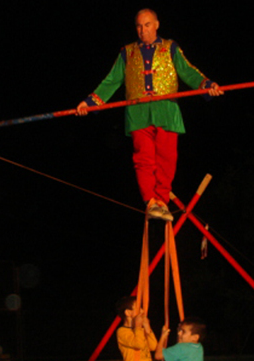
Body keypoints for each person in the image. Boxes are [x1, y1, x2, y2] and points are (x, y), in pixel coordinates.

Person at [76, 8, 223, 221]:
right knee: (143, 157)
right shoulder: (127, 52)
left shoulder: (170, 47)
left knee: (167, 156)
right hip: (138, 110)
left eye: (146, 25)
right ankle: (151, 201)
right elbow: (112, 81)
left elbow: (187, 71)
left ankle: (162, 200)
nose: (142, 30)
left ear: (156, 25)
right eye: (138, 26)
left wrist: (207, 85)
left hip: (166, 109)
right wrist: (90, 102)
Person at [115, 296, 158, 361]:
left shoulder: (140, 330)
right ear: (128, 312)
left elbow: (153, 346)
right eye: (138, 308)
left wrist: (147, 327)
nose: (142, 311)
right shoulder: (122, 331)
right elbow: (139, 344)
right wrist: (138, 326)